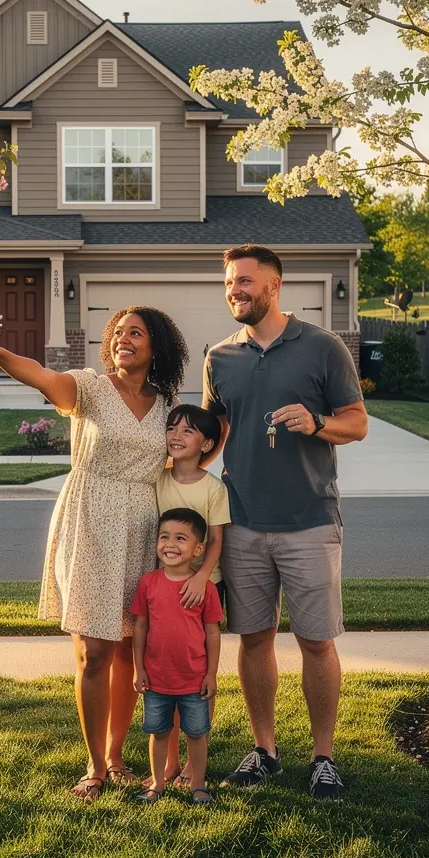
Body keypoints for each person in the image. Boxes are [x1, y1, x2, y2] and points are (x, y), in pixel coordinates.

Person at [0, 306, 188, 803]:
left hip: (143, 526)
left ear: (156, 347)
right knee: (95, 651)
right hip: (90, 518)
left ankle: (116, 756)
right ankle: (94, 767)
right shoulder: (88, 387)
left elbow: (191, 452)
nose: (124, 340)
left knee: (130, 648)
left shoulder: (167, 403)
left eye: (137, 333)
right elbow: (41, 375)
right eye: (118, 333)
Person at [202, 244, 367, 800]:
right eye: (229, 283)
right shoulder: (219, 356)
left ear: (273, 286)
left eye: (244, 281)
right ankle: (265, 749)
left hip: (310, 520)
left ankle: (324, 756)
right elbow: (217, 432)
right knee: (254, 639)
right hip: (242, 522)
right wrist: (181, 475)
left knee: (316, 642)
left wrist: (318, 421)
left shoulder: (322, 347)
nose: (235, 291)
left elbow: (358, 424)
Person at [153, 404, 231, 787]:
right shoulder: (158, 480)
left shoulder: (213, 488)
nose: (176, 435)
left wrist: (201, 579)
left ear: (207, 444)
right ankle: (168, 762)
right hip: (165, 588)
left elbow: (216, 540)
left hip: (203, 589)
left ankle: (192, 763)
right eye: (172, 428)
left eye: (187, 431)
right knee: (167, 673)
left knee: (198, 675)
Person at [131, 508, 223, 805]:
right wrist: (138, 669)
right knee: (159, 733)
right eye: (164, 537)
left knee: (196, 734)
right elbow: (140, 626)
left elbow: (212, 633)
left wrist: (211, 674)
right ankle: (157, 783)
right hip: (156, 679)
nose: (170, 544)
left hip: (194, 681)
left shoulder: (205, 589)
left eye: (180, 538)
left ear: (198, 549)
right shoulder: (149, 583)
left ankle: (198, 784)